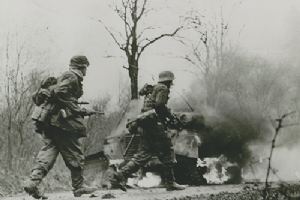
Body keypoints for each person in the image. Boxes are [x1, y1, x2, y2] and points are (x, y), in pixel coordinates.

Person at [24, 55, 97, 199]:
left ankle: (33, 182)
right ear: (81, 67)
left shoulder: (64, 76)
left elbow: (61, 95)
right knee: (75, 154)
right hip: (62, 125)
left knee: (48, 152)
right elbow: (60, 92)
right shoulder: (72, 76)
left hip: (50, 123)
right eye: (85, 67)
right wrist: (78, 110)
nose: (86, 70)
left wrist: (77, 105)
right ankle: (78, 186)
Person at [110, 71, 185, 191]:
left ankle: (120, 175)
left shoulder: (152, 89)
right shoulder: (163, 89)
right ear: (169, 81)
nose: (171, 84)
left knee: (142, 155)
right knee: (168, 151)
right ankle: (170, 183)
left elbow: (151, 107)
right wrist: (170, 116)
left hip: (145, 125)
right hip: (155, 126)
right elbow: (160, 106)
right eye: (171, 81)